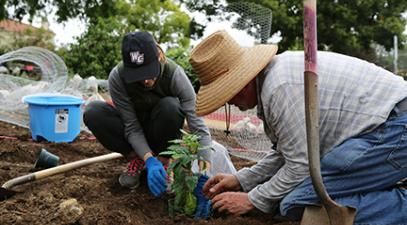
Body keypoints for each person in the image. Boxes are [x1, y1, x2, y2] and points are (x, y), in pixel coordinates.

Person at [190, 30, 407, 224]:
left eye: (227, 94)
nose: (229, 102)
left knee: (294, 203)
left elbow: (300, 167)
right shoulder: (274, 79)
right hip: (385, 128)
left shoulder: (279, 89)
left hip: (395, 129)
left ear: (242, 83)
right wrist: (242, 179)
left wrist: (252, 200)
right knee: (301, 192)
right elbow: (287, 153)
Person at [83, 31, 214, 218]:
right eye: (138, 75)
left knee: (171, 106)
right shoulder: (118, 78)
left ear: (159, 56)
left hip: (161, 129)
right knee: (94, 112)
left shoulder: (175, 75)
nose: (145, 80)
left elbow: (198, 125)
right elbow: (131, 126)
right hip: (133, 134)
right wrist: (148, 159)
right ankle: (138, 158)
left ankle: (164, 160)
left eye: (148, 71)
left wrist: (204, 173)